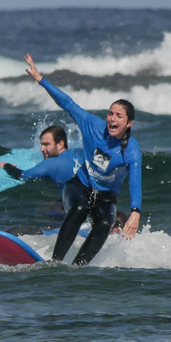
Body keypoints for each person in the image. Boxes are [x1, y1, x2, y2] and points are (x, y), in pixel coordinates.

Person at [24, 53, 142, 265]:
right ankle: (56, 262)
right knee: (79, 209)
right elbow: (68, 103)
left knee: (106, 223)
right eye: (110, 113)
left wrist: (135, 211)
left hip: (106, 197)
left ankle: (78, 268)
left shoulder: (131, 150)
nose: (112, 119)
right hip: (80, 185)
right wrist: (41, 79)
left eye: (118, 116)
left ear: (129, 123)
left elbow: (134, 181)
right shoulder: (93, 125)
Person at [0, 125, 78, 189]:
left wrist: (6, 166)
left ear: (60, 144)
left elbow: (23, 176)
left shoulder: (51, 164)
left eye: (46, 144)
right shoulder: (78, 153)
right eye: (41, 144)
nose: (41, 149)